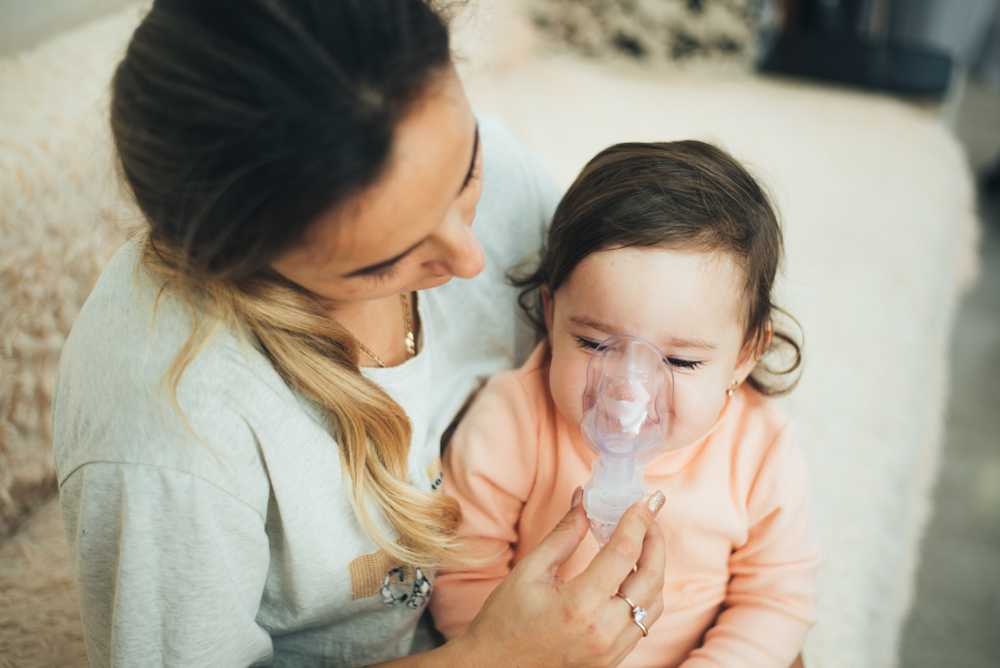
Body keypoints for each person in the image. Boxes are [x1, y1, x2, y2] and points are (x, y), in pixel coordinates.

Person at [51, 1, 668, 667]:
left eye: (466, 174)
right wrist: (492, 657)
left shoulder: (468, 171)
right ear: (234, 257)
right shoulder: (170, 432)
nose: (472, 261)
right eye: (380, 264)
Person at [430, 141, 823, 667]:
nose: (630, 391)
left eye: (681, 362)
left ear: (745, 355)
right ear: (550, 313)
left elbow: (775, 598)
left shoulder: (759, 449)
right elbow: (461, 571)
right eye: (594, 344)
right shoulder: (512, 419)